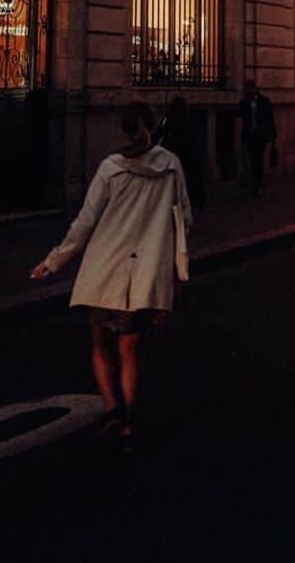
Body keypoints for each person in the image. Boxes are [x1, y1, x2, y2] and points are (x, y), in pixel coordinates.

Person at [30, 105, 191, 455]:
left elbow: (85, 223)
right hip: (145, 273)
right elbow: (185, 219)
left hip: (105, 269)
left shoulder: (110, 167)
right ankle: (128, 428)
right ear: (150, 126)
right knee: (129, 352)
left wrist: (52, 262)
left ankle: (111, 407)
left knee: (100, 345)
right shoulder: (171, 166)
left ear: (122, 130)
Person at [154, 95, 206, 212]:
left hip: (175, 159)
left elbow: (157, 137)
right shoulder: (181, 122)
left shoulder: (170, 121)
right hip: (183, 160)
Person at [238, 79, 276, 198]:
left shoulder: (264, 101)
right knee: (252, 161)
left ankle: (260, 186)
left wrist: (272, 136)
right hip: (250, 136)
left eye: (250, 89)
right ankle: (255, 186)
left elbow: (270, 119)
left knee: (260, 162)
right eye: (246, 89)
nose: (248, 91)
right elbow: (242, 118)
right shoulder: (244, 103)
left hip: (261, 136)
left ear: (255, 89)